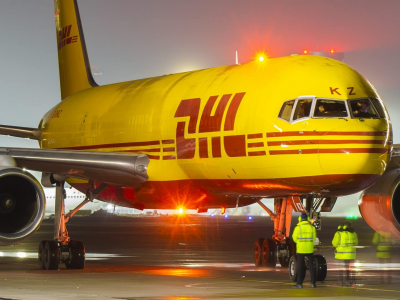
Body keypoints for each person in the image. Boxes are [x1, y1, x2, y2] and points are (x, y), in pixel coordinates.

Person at [292, 212, 317, 288]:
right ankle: (313, 283)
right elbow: (314, 239)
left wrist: (300, 243)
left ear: (300, 219)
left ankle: (299, 284)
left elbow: (294, 238)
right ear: (307, 219)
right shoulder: (312, 228)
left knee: (300, 266)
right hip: (309, 249)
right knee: (311, 266)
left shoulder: (297, 228)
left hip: (301, 250)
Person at [332, 221, 358, 286]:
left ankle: (341, 281)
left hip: (341, 254)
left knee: (340, 268)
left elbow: (334, 243)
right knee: (349, 268)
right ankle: (350, 280)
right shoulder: (354, 234)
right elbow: (356, 243)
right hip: (351, 254)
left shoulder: (339, 234)